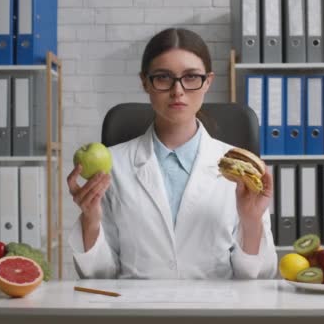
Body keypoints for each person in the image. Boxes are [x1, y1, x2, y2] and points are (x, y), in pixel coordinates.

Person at [67, 28, 277, 279]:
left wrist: (251, 221)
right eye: (164, 78)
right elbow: (100, 275)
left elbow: (259, 277)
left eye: (191, 77)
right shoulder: (114, 166)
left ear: (208, 81)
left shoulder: (239, 172)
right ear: (145, 82)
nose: (178, 91)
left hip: (216, 312)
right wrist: (90, 220)